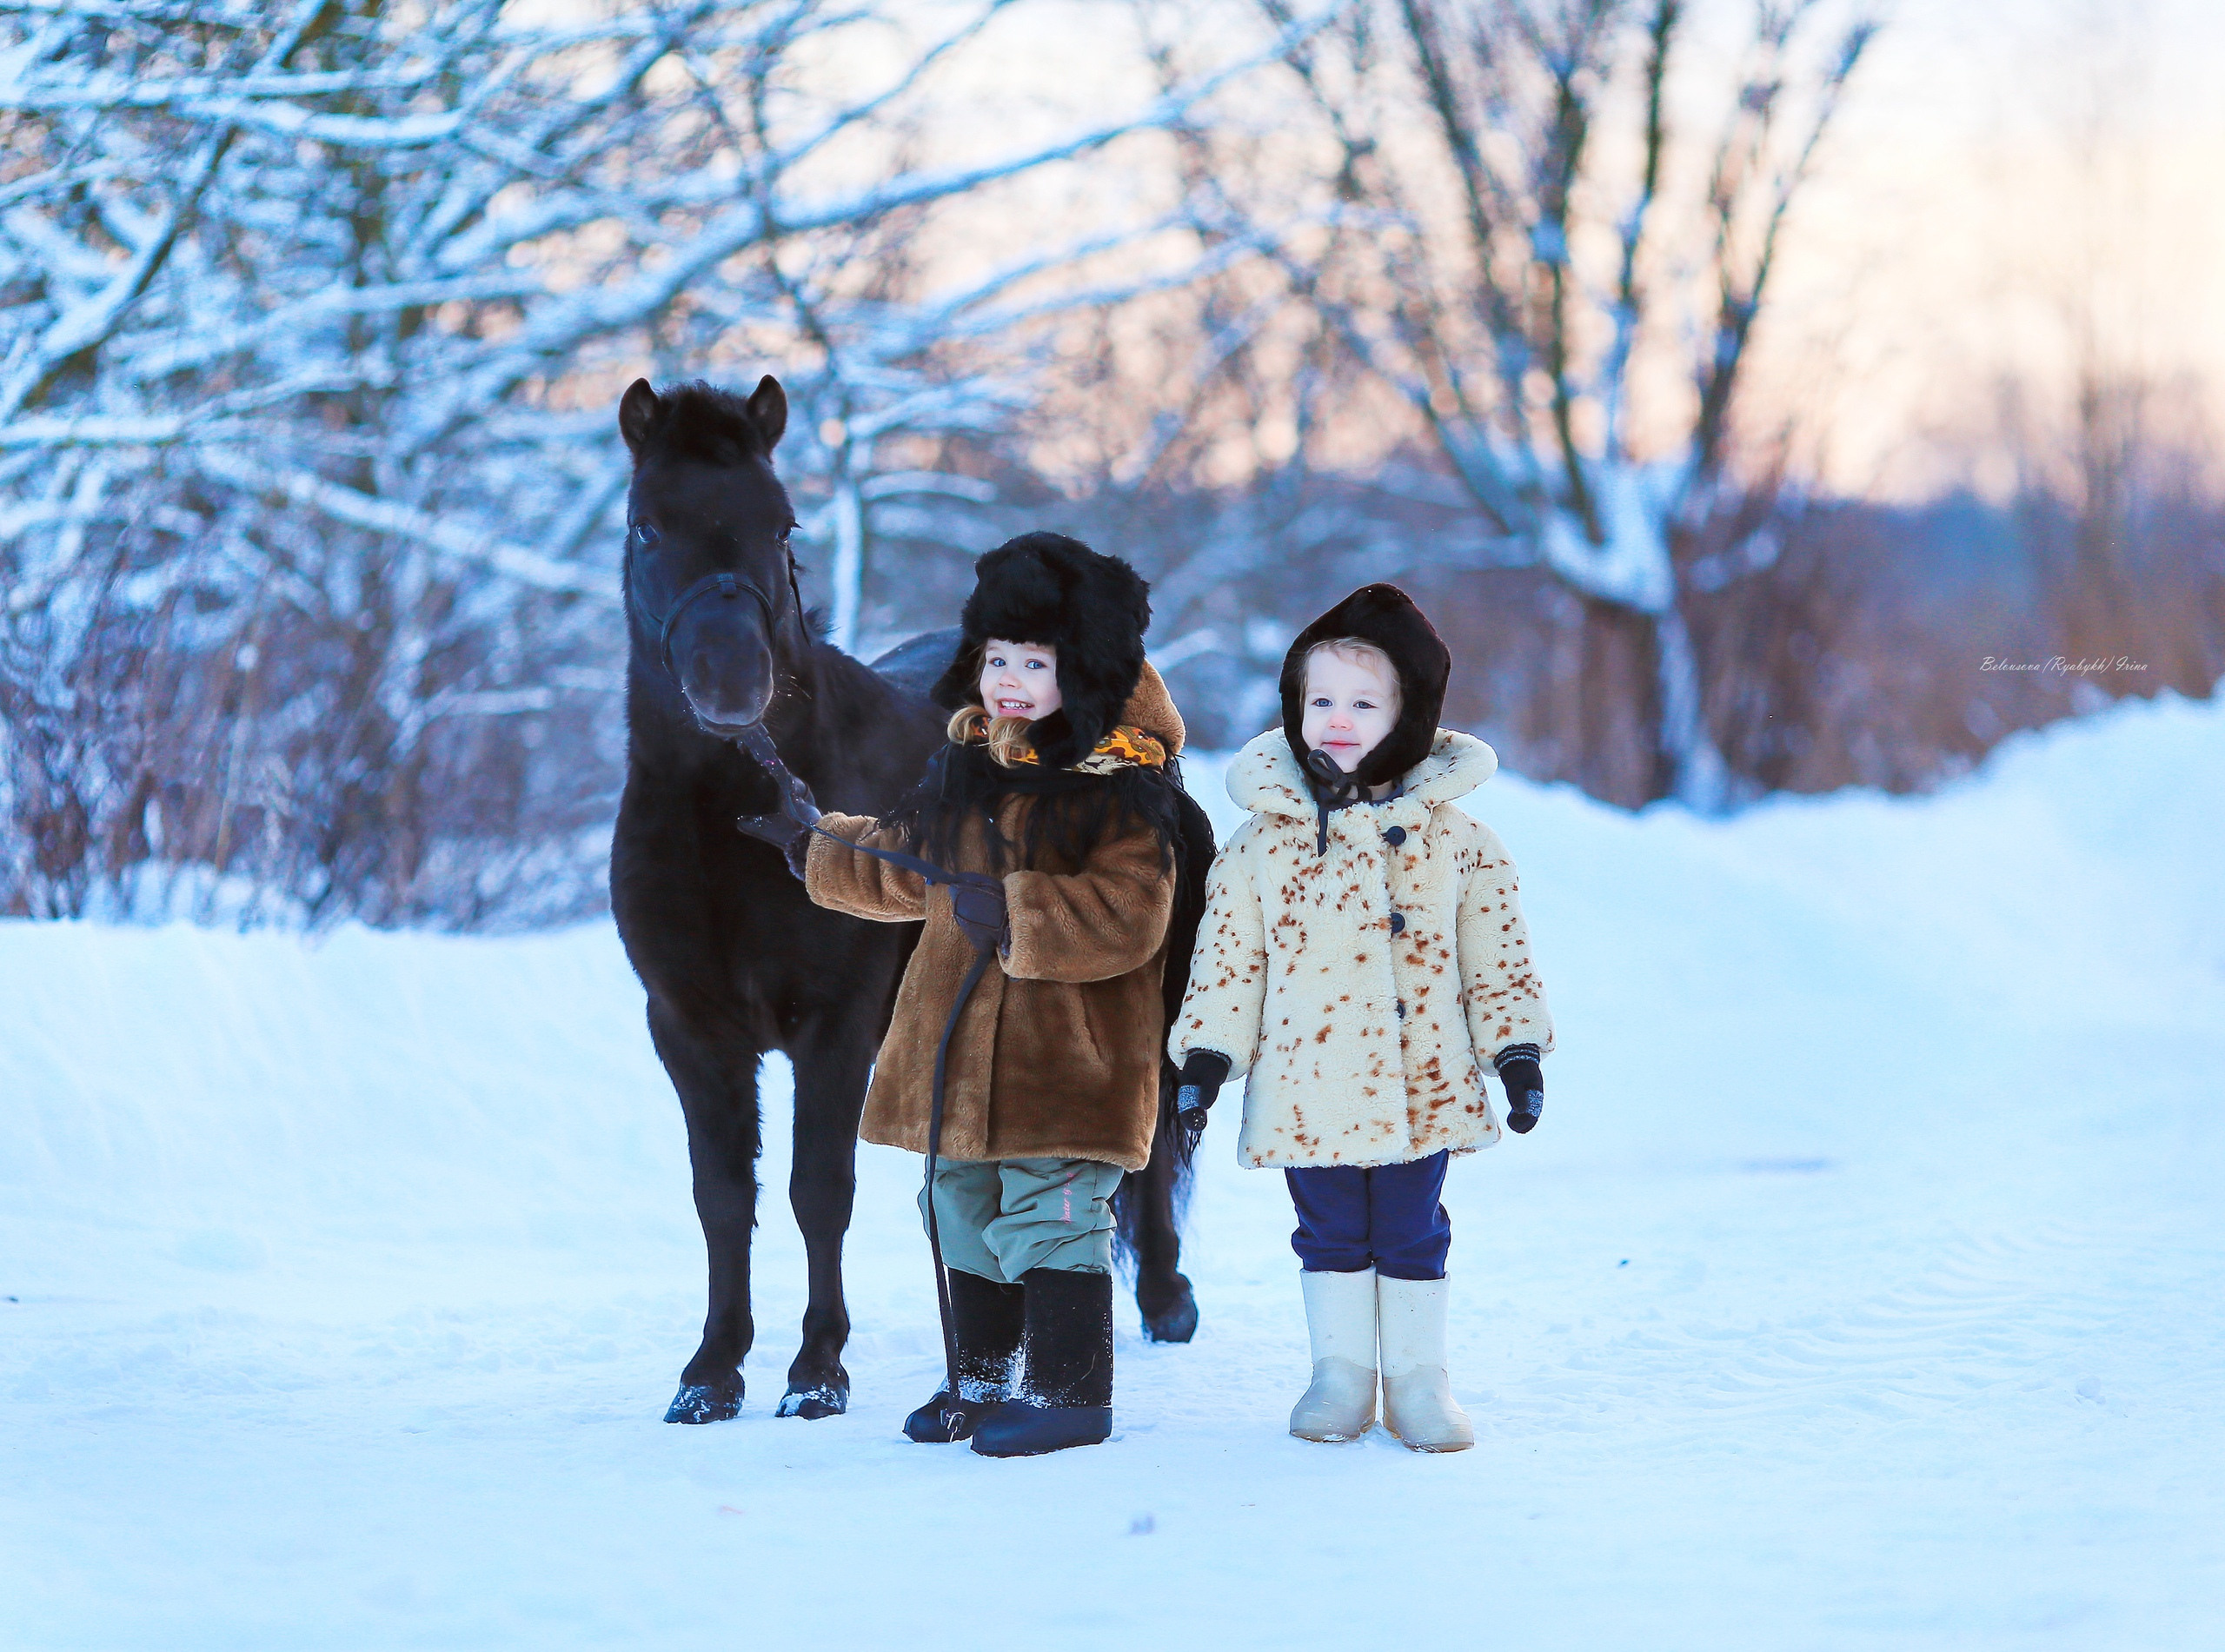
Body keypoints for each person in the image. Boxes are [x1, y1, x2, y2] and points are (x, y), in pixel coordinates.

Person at [776, 533, 1206, 1457]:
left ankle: (1069, 1393)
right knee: (958, 1205)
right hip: (957, 1058)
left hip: (1069, 1062)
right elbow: (905, 862)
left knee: (1047, 1213)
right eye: (996, 657)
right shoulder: (973, 766)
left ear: (1082, 666)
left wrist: (1020, 909)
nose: (1006, 679)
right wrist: (812, 846)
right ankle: (977, 1381)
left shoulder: (1123, 788)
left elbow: (1132, 914)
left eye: (1033, 661)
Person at [1166, 583, 1553, 1452]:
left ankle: (1418, 1377)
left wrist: (1516, 1050)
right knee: (1331, 1228)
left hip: (1422, 1077)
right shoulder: (1262, 841)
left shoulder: (1458, 840)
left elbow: (1497, 954)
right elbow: (1231, 960)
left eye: (1363, 701)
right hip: (1308, 1085)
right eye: (1320, 699)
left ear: (1407, 713)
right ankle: (1338, 1375)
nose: (1336, 719)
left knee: (1412, 1225)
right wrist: (1204, 1059)